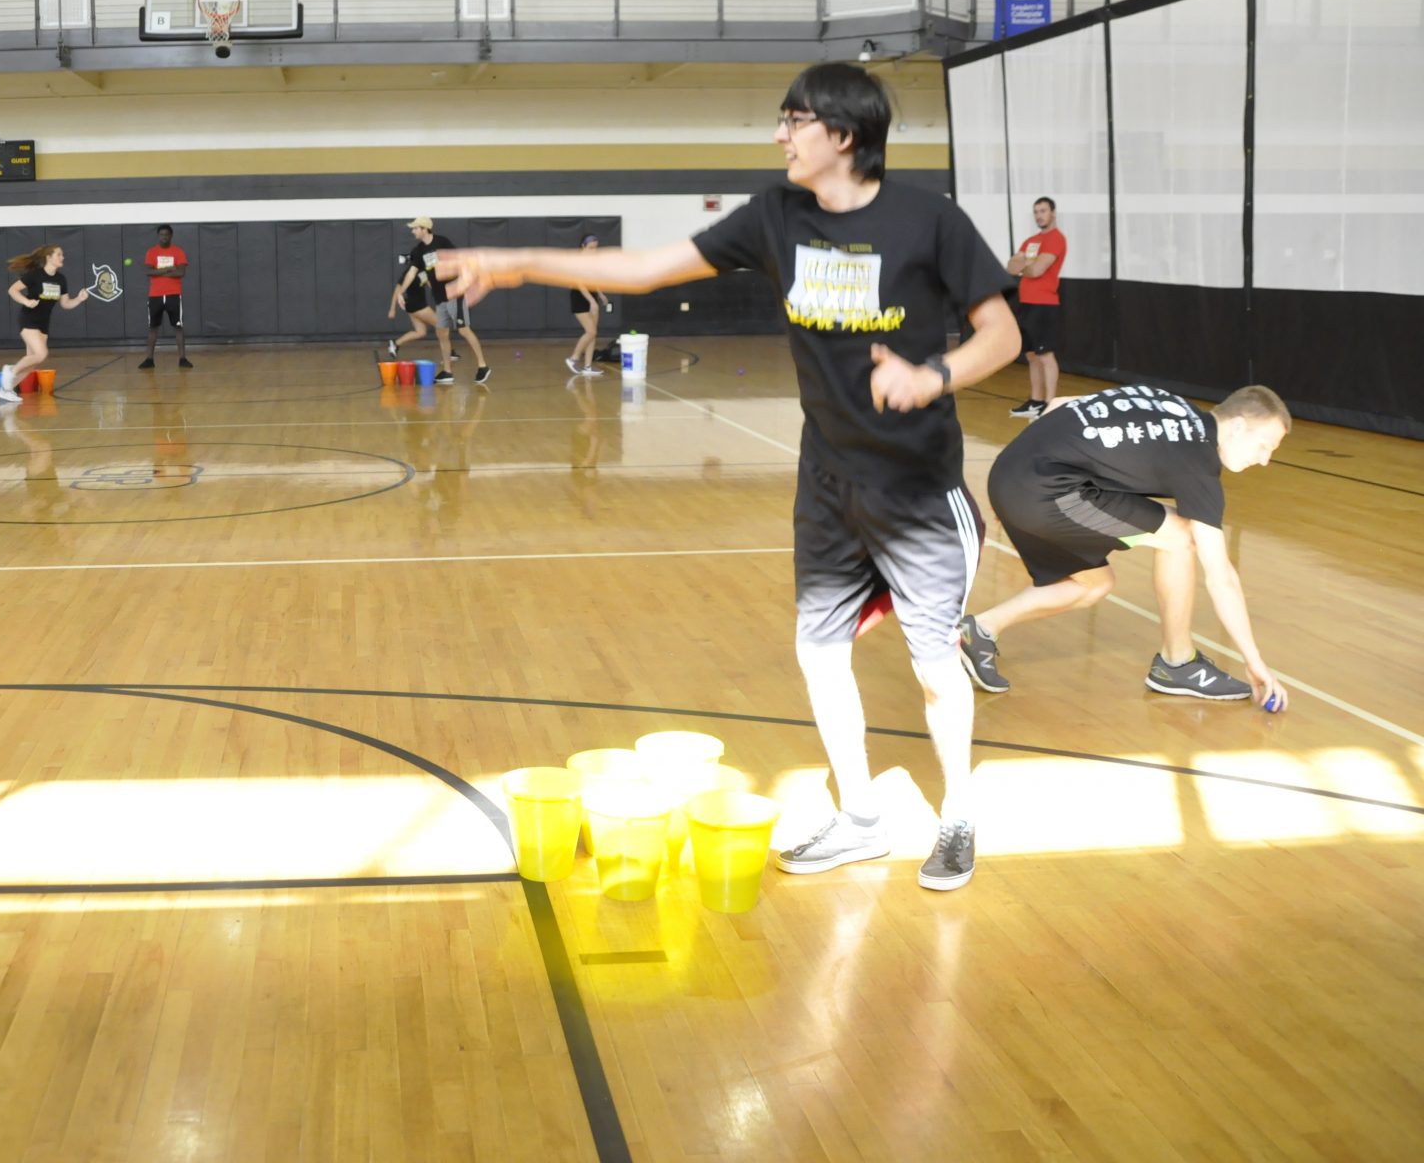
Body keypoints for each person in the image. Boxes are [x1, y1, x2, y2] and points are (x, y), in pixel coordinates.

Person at [442, 62, 1021, 892]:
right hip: (828, 481)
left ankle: (957, 813)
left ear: (844, 136)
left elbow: (1000, 332)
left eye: (795, 121)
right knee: (818, 652)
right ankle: (861, 817)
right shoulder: (776, 216)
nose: (780, 135)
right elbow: (645, 270)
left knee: (935, 668)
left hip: (918, 490)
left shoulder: (930, 220)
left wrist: (933, 377)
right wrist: (522, 262)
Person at [958, 384, 1291, 708]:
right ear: (1237, 426)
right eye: (1264, 445)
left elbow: (1058, 404)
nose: (1264, 460)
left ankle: (980, 630)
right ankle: (1177, 663)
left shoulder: (1165, 401)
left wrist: (1016, 488)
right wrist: (1254, 661)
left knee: (1094, 585)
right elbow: (1221, 579)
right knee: (1183, 537)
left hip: (1012, 474)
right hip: (1045, 493)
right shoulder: (1197, 461)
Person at [0, 244, 88, 404]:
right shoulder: (35, 275)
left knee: (32, 362)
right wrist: (26, 301)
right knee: (41, 354)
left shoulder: (61, 279)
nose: (62, 257)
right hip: (29, 319)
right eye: (59, 255)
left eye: (62, 255)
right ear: (49, 257)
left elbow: (66, 304)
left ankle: (6, 389)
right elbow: (12, 290)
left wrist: (79, 299)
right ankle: (10, 371)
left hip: (43, 324)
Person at [409, 218, 493, 385]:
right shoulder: (418, 250)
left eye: (415, 228)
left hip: (454, 293)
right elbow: (416, 272)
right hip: (439, 298)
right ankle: (447, 371)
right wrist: (418, 282)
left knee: (463, 330)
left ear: (425, 229)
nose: (413, 231)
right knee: (442, 333)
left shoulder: (442, 242)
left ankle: (483, 366)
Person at [1006, 197, 1066, 418]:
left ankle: (1050, 403)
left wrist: (1026, 265)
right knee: (1031, 355)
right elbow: (1011, 267)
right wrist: (1025, 265)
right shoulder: (1031, 241)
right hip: (1027, 303)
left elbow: (1038, 270)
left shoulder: (1056, 239)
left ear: (1052, 213)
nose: (1039, 215)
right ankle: (1036, 400)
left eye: (1043, 211)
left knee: (1045, 354)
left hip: (1045, 304)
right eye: (1036, 212)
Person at [386, 225, 442, 365]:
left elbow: (429, 283)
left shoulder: (423, 271)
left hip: (412, 305)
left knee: (421, 332)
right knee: (441, 325)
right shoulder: (409, 272)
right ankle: (449, 354)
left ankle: (395, 344)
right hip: (416, 304)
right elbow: (397, 290)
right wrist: (392, 308)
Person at [139, 224, 192, 369]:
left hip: (173, 294)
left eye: (167, 234)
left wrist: (158, 271)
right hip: (155, 295)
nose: (164, 237)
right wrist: (169, 268)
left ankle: (182, 359)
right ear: (158, 236)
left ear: (171, 236)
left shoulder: (178, 251)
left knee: (178, 327)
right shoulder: (151, 252)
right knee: (153, 328)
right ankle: (149, 359)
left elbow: (180, 273)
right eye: (161, 234)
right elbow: (148, 271)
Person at [566, 233, 612, 376]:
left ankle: (587, 366)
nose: (594, 251)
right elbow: (580, 284)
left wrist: (600, 294)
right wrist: (592, 302)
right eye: (591, 248)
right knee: (590, 331)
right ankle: (573, 358)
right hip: (580, 298)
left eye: (596, 248)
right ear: (583, 247)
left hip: (592, 297)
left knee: (593, 334)